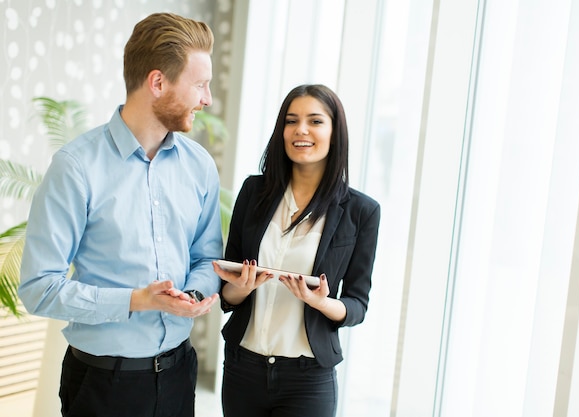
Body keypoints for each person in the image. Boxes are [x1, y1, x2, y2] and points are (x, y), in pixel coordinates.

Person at [18, 12, 222, 417]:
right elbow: (38, 287)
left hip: (180, 373)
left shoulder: (199, 166)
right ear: (158, 82)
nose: (207, 99)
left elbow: (205, 256)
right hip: (104, 385)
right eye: (199, 84)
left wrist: (193, 295)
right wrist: (136, 301)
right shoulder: (76, 167)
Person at [213, 84, 381, 417]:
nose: (301, 129)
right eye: (291, 120)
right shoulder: (253, 191)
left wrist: (321, 302)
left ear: (334, 132)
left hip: (307, 380)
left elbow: (357, 305)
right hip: (242, 368)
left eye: (315, 121)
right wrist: (239, 288)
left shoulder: (361, 211)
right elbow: (227, 294)